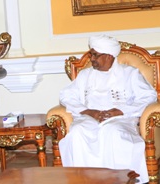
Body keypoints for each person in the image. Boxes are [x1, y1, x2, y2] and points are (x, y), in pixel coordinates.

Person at [58, 35, 156, 184]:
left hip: (121, 119)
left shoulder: (129, 73)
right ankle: (82, 179)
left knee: (112, 132)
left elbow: (149, 96)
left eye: (95, 54)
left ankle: (120, 180)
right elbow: (66, 96)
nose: (91, 58)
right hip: (89, 118)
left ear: (109, 56)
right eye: (91, 54)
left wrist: (120, 111)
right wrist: (88, 111)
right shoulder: (85, 75)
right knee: (77, 132)